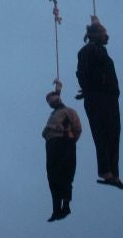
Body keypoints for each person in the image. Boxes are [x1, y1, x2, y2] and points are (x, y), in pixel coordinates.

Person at [76, 20, 123, 191]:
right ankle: (106, 171)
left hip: (109, 97)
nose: (107, 35)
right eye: (104, 32)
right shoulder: (88, 50)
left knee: (113, 134)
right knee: (102, 134)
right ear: (95, 35)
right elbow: (83, 72)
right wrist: (91, 87)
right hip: (98, 97)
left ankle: (113, 173)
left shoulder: (101, 52)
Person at [42, 79, 82, 222]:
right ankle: (56, 208)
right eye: (49, 101)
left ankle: (65, 206)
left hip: (64, 143)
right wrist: (58, 88)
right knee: (52, 176)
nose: (50, 102)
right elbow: (57, 97)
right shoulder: (53, 115)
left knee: (65, 174)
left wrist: (68, 137)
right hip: (51, 145)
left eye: (51, 99)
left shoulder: (68, 112)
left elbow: (77, 128)